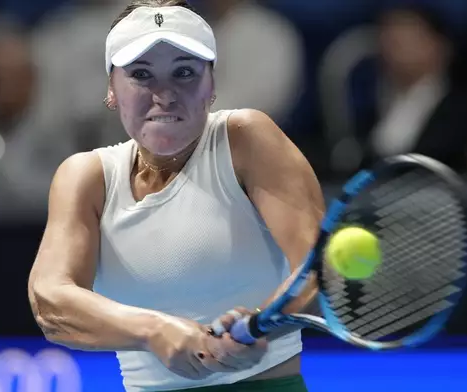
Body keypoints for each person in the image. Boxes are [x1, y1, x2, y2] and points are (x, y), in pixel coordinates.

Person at [27, 1, 324, 391]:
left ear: (212, 85)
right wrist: (152, 330)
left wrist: (259, 325)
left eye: (184, 72)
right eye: (141, 75)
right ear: (111, 89)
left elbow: (321, 273)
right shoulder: (85, 176)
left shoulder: (248, 138)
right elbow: (51, 302)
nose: (164, 95)